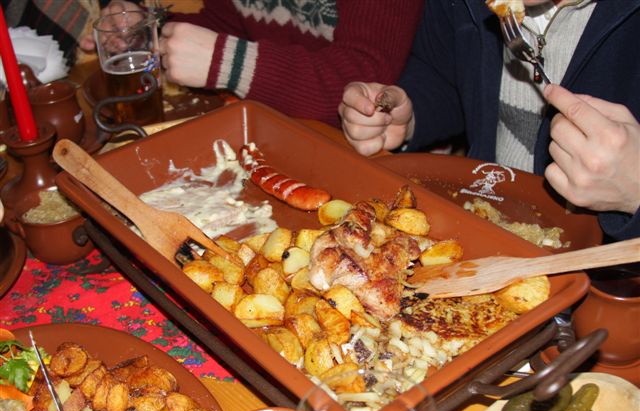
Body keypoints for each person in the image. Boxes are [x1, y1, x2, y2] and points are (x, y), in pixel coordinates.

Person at [339, 0, 640, 242]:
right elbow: (446, 74)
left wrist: (635, 191)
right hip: (479, 223)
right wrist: (412, 116)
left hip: (603, 274)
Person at [80, 0, 425, 127]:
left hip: (382, 151)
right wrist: (149, 26)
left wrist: (225, 61)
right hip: (279, 128)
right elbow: (230, 23)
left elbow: (362, 80)